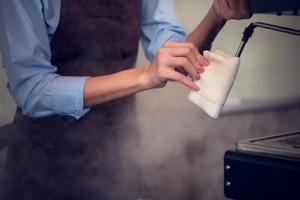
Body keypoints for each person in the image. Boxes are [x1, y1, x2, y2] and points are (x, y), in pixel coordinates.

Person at [0, 0, 251, 199]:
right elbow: (31, 89)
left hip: (117, 157)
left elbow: (174, 57)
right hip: (43, 168)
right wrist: (144, 75)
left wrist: (217, 14)